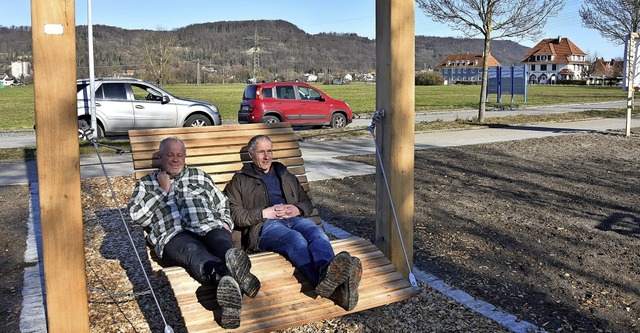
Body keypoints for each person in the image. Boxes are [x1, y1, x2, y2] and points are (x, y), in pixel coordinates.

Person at [128, 136, 260, 329]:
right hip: (174, 235)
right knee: (193, 252)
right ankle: (232, 278)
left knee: (223, 244)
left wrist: (224, 222)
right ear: (161, 157)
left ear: (185, 157)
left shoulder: (199, 176)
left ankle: (229, 285)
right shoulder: (147, 184)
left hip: (209, 226)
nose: (175, 159)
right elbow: (136, 216)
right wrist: (161, 191)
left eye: (179, 155)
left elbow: (222, 202)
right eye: (170, 155)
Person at [224, 134, 362, 311]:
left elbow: (306, 202)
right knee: (295, 240)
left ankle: (328, 278)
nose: (267, 156)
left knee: (318, 234)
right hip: (264, 227)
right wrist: (264, 212)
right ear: (251, 155)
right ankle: (334, 284)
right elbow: (234, 214)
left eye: (269, 151)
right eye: (261, 152)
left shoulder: (285, 174)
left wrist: (296, 209)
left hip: (294, 219)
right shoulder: (240, 180)